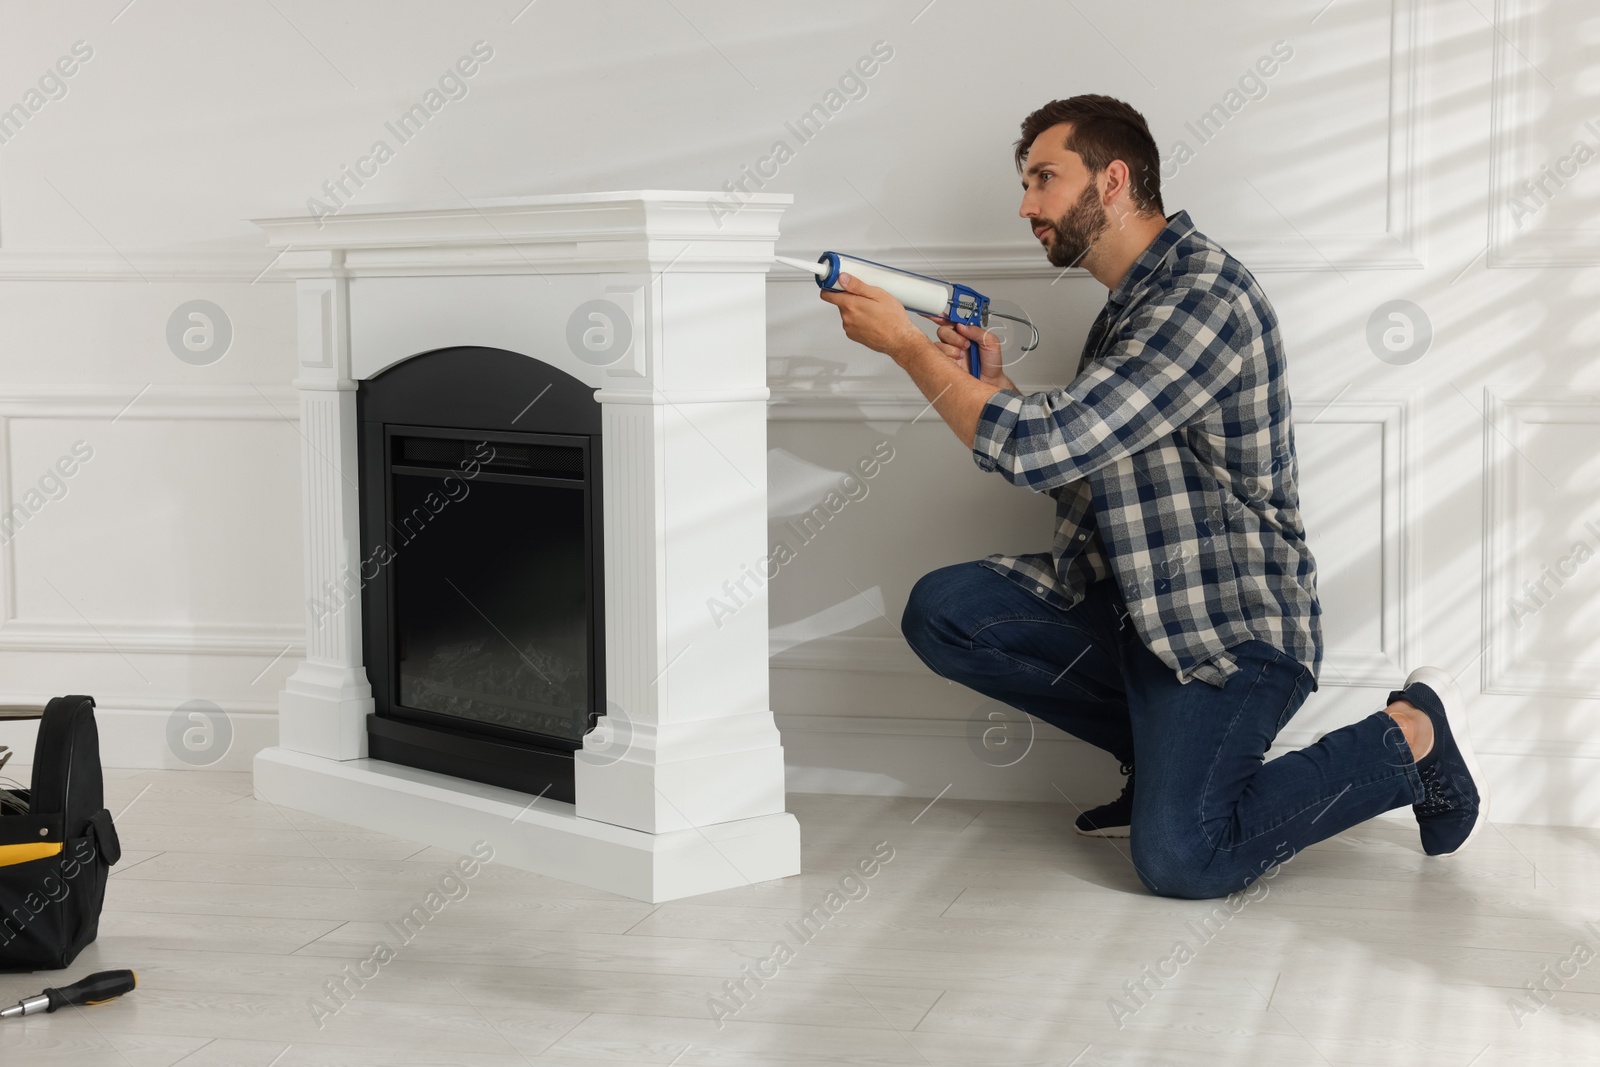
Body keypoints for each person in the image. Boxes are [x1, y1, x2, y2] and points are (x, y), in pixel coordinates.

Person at [816, 94, 1487, 900]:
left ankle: (1410, 735)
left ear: (1115, 179)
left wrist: (906, 350)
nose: (1026, 205)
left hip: (1231, 630)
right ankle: (1159, 754)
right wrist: (992, 388)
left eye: (1045, 179)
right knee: (946, 610)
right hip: (1142, 609)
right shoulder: (1131, 307)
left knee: (1182, 857)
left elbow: (1037, 446)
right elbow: (1085, 472)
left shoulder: (1200, 299)